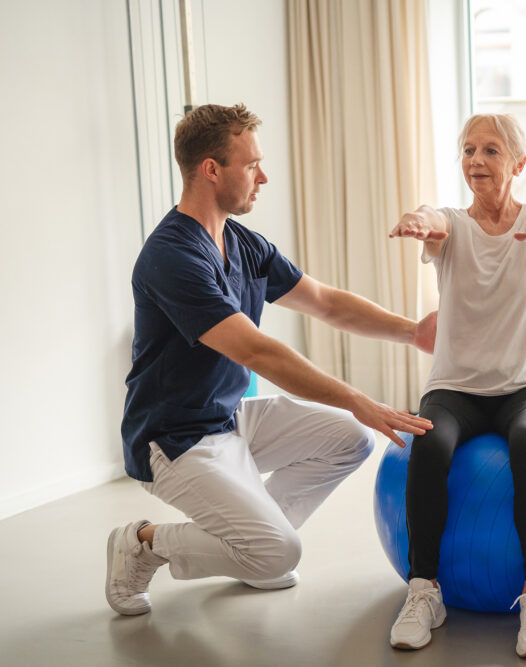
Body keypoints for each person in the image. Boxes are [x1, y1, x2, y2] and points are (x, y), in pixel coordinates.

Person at [106, 103, 435, 616]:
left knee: (349, 438)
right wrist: (359, 398)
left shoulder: (241, 242)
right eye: (252, 164)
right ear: (211, 170)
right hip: (173, 437)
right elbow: (256, 351)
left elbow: (324, 301)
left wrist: (413, 332)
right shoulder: (172, 256)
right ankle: (145, 541)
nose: (264, 176)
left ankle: (251, 552)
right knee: (280, 552)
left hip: (230, 418)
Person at [387, 113, 526, 658]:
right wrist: (417, 219)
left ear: (517, 163)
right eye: (468, 150)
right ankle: (424, 591)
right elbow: (434, 219)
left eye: (490, 151)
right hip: (457, 388)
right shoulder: (451, 225)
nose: (475, 161)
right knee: (429, 440)